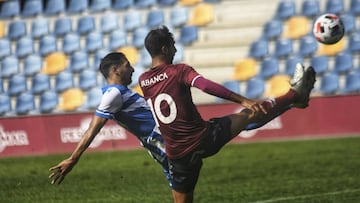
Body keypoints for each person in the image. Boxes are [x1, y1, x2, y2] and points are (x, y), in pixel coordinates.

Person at [139, 25, 316, 203]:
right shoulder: (179, 71)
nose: (176, 50)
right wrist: (242, 100)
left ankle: (294, 97)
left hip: (178, 155)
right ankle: (295, 95)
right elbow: (206, 85)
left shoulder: (144, 80)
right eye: (173, 45)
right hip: (203, 139)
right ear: (165, 48)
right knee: (249, 114)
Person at [48, 52, 171, 187]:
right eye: (127, 66)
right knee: (183, 179)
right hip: (162, 141)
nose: (133, 69)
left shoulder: (120, 91)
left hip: (162, 139)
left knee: (181, 182)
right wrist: (73, 159)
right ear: (115, 70)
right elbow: (92, 129)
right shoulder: (113, 94)